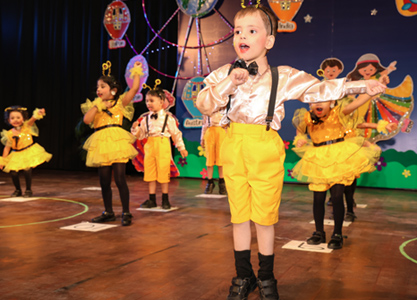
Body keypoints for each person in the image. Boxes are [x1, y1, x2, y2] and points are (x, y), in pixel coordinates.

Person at [196, 4, 386, 300]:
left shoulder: (281, 76)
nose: (242, 36)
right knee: (239, 216)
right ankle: (243, 276)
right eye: (237, 31)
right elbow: (205, 104)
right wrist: (228, 84)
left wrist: (361, 85)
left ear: (269, 41)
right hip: (233, 145)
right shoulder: (224, 74)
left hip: (265, 146)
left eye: (251, 31)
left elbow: (321, 90)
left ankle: (267, 277)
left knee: (265, 216)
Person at [291, 89, 393, 250]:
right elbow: (300, 130)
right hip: (318, 157)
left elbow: (358, 103)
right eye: (314, 101)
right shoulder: (306, 117)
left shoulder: (339, 112)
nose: (318, 104)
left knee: (337, 196)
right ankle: (319, 232)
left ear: (331, 103)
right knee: (318, 198)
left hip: (339, 156)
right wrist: (300, 139)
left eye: (323, 101)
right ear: (310, 104)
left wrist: (371, 91)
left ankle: (337, 234)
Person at [81, 61, 142, 226]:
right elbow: (87, 120)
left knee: (120, 178)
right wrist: (97, 105)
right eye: (98, 87)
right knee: (104, 180)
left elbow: (135, 89)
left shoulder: (120, 102)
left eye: (102, 87)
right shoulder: (95, 104)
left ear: (112, 89)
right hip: (101, 142)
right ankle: (108, 211)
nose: (99, 90)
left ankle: (126, 212)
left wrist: (136, 71)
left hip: (116, 141)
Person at [131, 83, 188, 210]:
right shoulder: (146, 119)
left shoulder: (168, 119)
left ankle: (165, 199)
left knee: (163, 172)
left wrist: (181, 147)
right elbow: (141, 136)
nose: (148, 103)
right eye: (147, 101)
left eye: (152, 101)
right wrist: (136, 129)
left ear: (161, 102)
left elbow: (176, 134)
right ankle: (152, 199)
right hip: (150, 145)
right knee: (150, 172)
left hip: (163, 144)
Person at [0, 106, 52, 197]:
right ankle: (17, 190)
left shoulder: (26, 126)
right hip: (16, 154)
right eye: (12, 118)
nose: (15, 120)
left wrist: (38, 113)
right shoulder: (9, 133)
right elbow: (7, 148)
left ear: (23, 119)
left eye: (18, 117)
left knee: (27, 170)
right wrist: (2, 161)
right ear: (9, 120)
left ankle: (28, 190)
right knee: (13, 172)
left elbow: (33, 119)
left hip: (27, 152)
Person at [200, 112, 227, 194]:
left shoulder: (224, 108)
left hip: (222, 132)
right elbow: (204, 124)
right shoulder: (208, 109)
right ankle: (210, 182)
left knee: (220, 159)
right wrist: (202, 138)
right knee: (209, 158)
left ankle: (222, 182)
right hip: (210, 131)